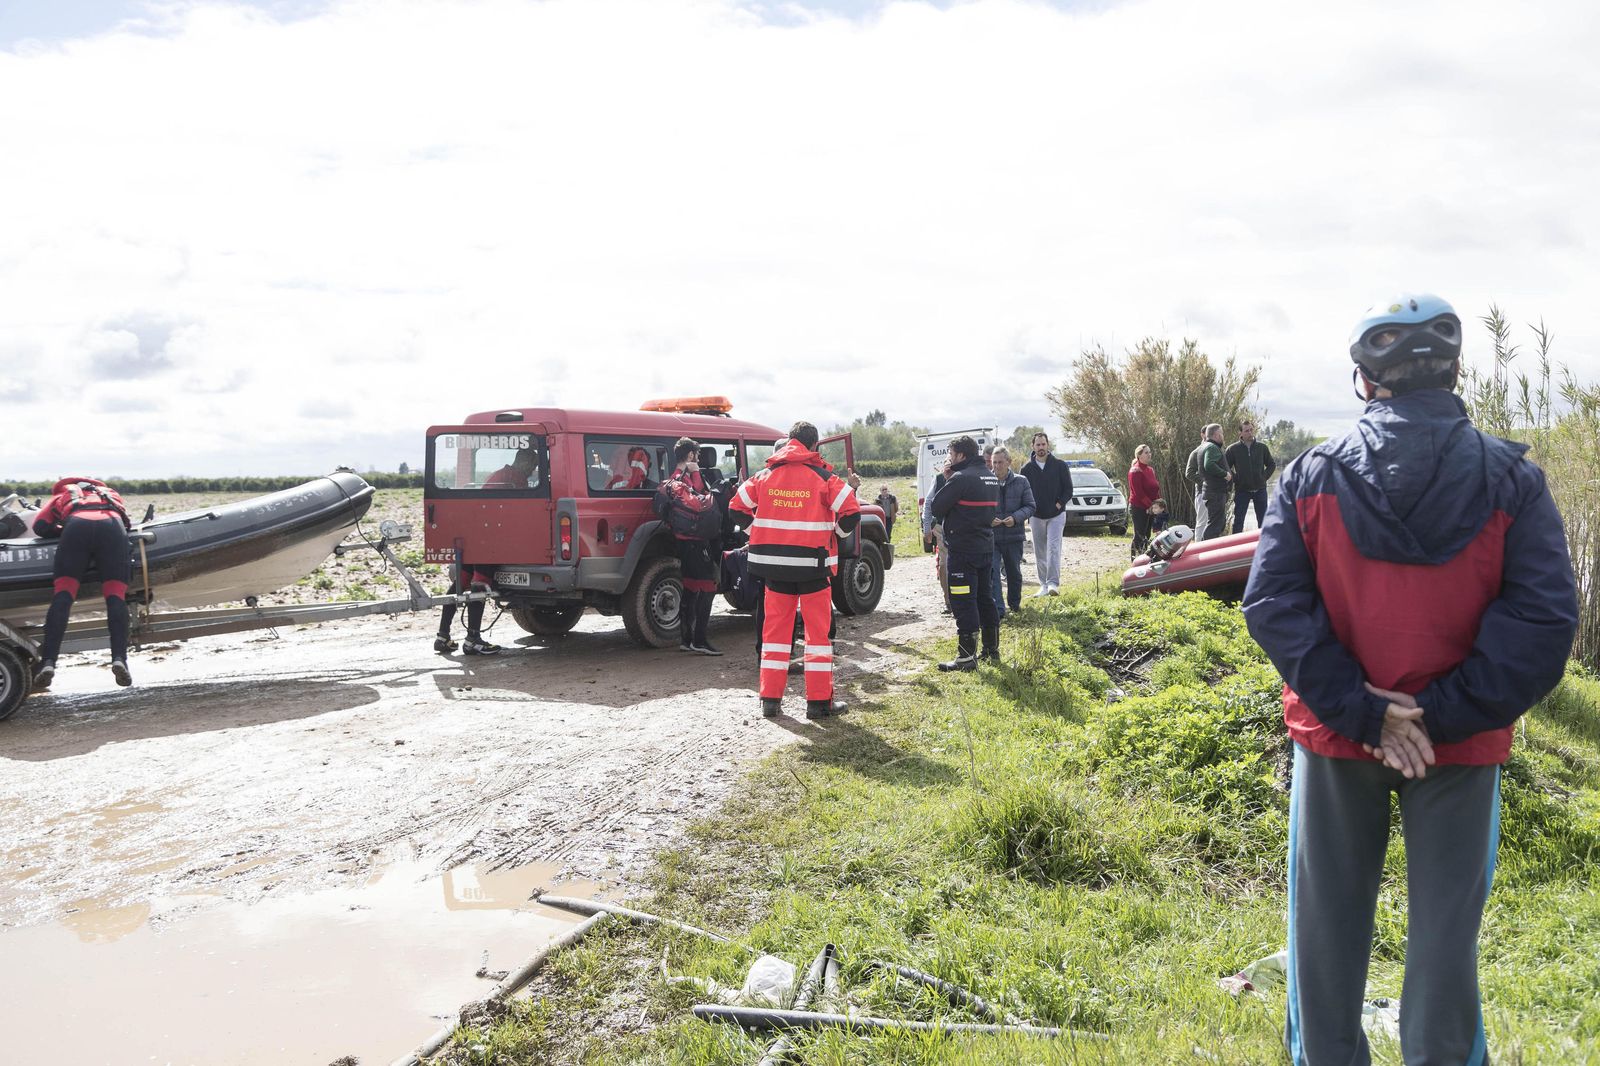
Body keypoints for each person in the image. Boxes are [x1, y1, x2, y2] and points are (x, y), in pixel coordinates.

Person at [1241, 293, 1577, 1066]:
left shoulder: (1310, 474)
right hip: (1458, 745)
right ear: (1455, 373)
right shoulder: (1513, 480)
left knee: (1323, 931)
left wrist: (1365, 711)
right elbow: (1544, 619)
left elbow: (1274, 603)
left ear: (1366, 380)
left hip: (1335, 734)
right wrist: (1439, 714)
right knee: (1445, 942)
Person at [730, 421, 860, 719]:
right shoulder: (823, 477)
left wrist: (756, 532)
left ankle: (770, 702)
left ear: (789, 441)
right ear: (814, 446)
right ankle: (819, 704)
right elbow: (852, 510)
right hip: (814, 569)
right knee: (817, 637)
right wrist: (835, 534)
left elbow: (736, 507)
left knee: (775, 635)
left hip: (775, 571)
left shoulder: (764, 476)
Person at [29, 477, 135, 690]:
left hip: (76, 527)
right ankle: (119, 659)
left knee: (63, 595)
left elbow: (40, 526)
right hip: (112, 527)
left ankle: (48, 662)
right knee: (115, 596)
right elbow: (125, 521)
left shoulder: (64, 494)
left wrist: (64, 529)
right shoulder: (109, 494)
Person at [433, 447, 541, 655]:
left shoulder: (500, 474)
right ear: (525, 463)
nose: (532, 471)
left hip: (472, 533)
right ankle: (473, 639)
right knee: (480, 585)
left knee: (460, 582)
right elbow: (520, 512)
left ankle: (442, 636)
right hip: (488, 536)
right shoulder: (516, 479)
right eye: (533, 466)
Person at [929, 435, 1000, 669]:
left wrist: (947, 478)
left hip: (963, 551)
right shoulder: (990, 476)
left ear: (961, 455)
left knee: (963, 600)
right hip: (985, 547)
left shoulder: (960, 478)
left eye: (951, 455)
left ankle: (966, 658)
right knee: (985, 598)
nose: (949, 459)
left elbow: (937, 507)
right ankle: (991, 650)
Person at [656, 436, 722, 655]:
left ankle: (686, 640)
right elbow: (702, 498)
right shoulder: (686, 479)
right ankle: (700, 640)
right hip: (696, 541)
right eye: (697, 455)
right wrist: (696, 473)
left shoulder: (673, 478)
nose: (699, 459)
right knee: (709, 587)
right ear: (691, 455)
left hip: (682, 541)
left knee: (691, 587)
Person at [1020, 432, 1073, 595]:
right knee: (1040, 550)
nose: (1041, 447)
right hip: (1036, 516)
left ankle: (1053, 584)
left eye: (1043, 444)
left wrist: (1058, 504)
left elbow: (1068, 489)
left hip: (1057, 515)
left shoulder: (1060, 465)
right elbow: (1022, 492)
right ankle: (1043, 584)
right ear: (1033, 446)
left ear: (1048, 445)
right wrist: (1028, 510)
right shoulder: (1026, 469)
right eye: (1038, 445)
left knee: (1053, 548)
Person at [986, 447, 1034, 621]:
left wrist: (1015, 518)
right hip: (992, 537)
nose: (996, 466)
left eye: (1000, 462)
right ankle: (999, 609)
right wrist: (988, 519)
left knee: (1013, 572)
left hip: (1014, 536)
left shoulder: (1022, 481)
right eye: (994, 463)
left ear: (1009, 462)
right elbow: (980, 508)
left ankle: (1014, 604)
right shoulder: (986, 482)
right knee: (993, 573)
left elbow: (1030, 506)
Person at [1226, 419, 1276, 534]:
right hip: (1242, 490)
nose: (1250, 433)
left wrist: (1263, 477)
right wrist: (1236, 479)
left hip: (1260, 490)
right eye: (1246, 431)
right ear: (1240, 433)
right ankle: (1236, 544)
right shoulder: (1233, 449)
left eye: (1251, 430)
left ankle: (1263, 543)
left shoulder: (1262, 447)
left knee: (1263, 522)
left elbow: (1272, 465)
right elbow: (1226, 467)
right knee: (1238, 522)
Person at [1184, 423, 1231, 541]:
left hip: (1212, 491)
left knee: (1213, 523)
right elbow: (1190, 473)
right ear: (1203, 435)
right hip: (1205, 491)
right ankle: (1200, 547)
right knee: (1203, 523)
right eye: (1221, 433)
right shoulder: (1201, 450)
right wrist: (1206, 481)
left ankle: (1207, 546)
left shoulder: (1211, 448)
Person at [1126, 444, 1161, 559]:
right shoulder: (1135, 470)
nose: (1149, 454)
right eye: (1146, 452)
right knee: (1139, 535)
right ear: (1139, 455)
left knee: (1147, 534)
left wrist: (1159, 504)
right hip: (1139, 507)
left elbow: (1155, 488)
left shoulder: (1150, 470)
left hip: (1151, 507)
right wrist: (1151, 506)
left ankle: (1144, 558)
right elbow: (1139, 493)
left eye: (1149, 452)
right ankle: (1135, 559)